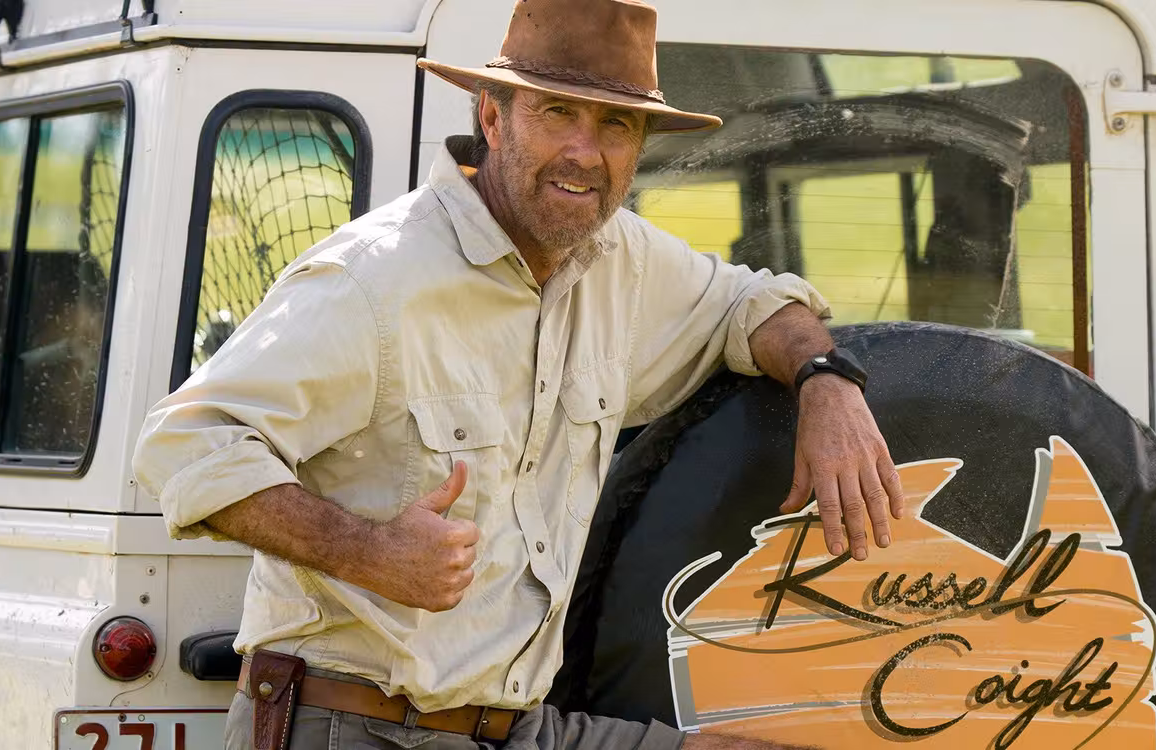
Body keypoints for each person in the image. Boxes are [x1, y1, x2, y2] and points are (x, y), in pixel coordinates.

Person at [132, 1, 906, 747]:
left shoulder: (623, 262)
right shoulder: (374, 277)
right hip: (352, 724)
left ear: (639, 148)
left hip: (516, 727)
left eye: (616, 125)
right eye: (558, 113)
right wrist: (368, 552)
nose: (585, 152)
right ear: (494, 119)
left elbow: (752, 304)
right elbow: (184, 445)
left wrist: (827, 381)